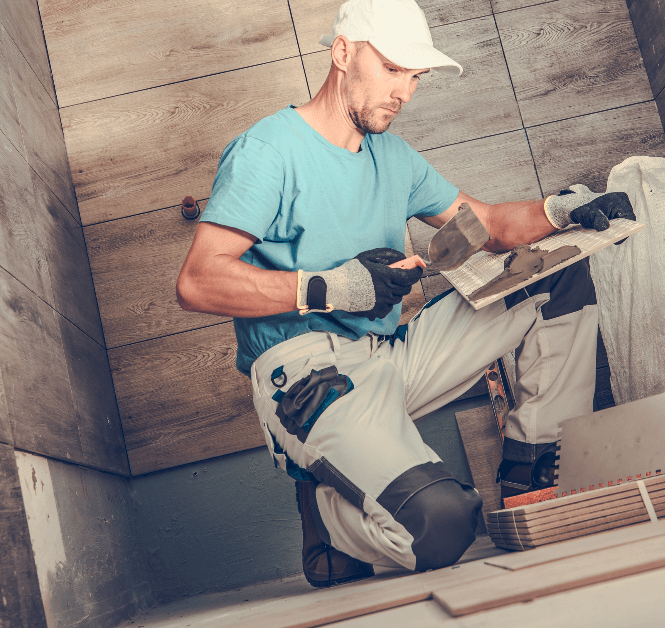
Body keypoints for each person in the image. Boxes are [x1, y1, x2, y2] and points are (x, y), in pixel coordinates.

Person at [175, 0, 634, 588]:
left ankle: (533, 476)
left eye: (415, 77)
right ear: (343, 53)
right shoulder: (269, 152)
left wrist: (560, 212)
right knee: (440, 527)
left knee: (558, 274)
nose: (406, 93)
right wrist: (335, 287)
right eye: (394, 70)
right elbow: (198, 281)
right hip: (310, 374)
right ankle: (324, 519)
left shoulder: (392, 155)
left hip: (392, 352)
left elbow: (487, 223)